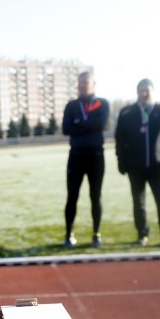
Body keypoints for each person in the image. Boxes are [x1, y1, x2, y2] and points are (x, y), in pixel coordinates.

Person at [114, 79, 160, 247]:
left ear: (153, 91)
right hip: (134, 166)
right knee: (138, 202)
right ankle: (142, 234)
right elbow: (119, 139)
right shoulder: (126, 113)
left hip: (157, 165)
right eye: (141, 90)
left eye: (147, 90)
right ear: (136, 92)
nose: (144, 93)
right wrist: (121, 161)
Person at [61, 71, 110, 248]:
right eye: (80, 82)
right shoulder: (71, 106)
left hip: (96, 156)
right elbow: (66, 129)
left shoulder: (102, 103)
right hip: (76, 156)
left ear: (93, 84)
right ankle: (68, 235)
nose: (82, 85)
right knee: (72, 196)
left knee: (95, 196)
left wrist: (78, 124)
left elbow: (101, 124)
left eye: (86, 82)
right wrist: (87, 126)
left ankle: (96, 234)